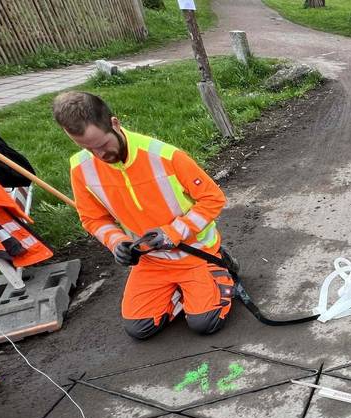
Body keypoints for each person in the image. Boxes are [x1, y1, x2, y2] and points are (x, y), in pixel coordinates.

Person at [52, 91, 234, 340]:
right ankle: (186, 293)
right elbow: (93, 219)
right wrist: (117, 243)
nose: (100, 155)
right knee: (139, 328)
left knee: (205, 323)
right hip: (151, 262)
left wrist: (173, 233)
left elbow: (213, 199)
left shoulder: (165, 156)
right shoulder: (81, 168)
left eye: (103, 144)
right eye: (88, 148)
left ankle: (221, 265)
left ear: (115, 124)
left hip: (195, 252)